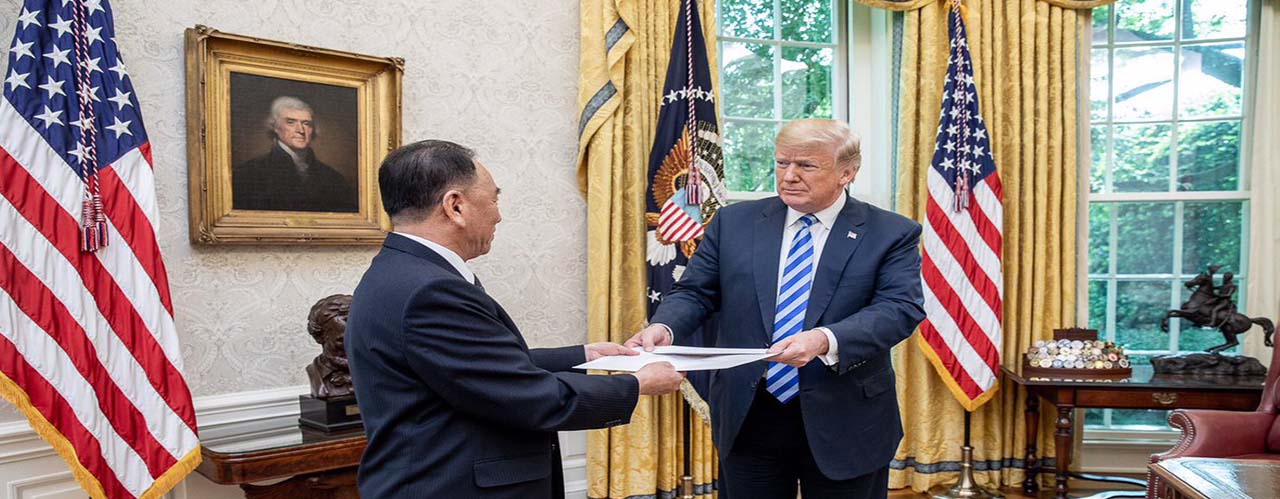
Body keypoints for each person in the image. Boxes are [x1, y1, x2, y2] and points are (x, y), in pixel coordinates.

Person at [346, 139, 685, 498]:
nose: (498, 214)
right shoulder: (429, 291)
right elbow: (529, 397)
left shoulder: (405, 271)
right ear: (455, 206)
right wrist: (638, 385)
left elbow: (474, 368)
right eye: (493, 199)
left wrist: (583, 355)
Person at [626, 119, 925, 499]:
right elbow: (695, 292)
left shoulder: (891, 232)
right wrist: (665, 327)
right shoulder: (734, 222)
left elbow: (899, 309)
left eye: (807, 166)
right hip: (750, 412)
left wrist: (823, 340)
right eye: (783, 163)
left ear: (847, 172)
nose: (789, 176)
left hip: (846, 415)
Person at [232, 96, 358, 213]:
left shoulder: (334, 179)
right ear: (275, 127)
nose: (300, 130)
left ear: (313, 129)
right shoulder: (249, 173)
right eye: (291, 122)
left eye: (306, 123)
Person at [305, 294, 354, 399]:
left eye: (358, 340)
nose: (351, 347)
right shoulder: (316, 375)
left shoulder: (376, 371)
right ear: (320, 337)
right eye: (341, 341)